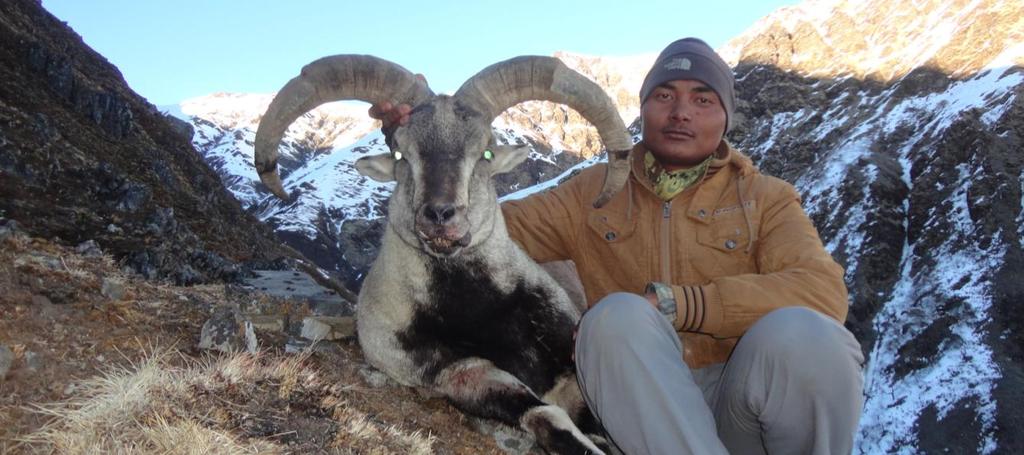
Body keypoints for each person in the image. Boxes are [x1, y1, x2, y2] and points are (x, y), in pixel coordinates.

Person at [371, 37, 864, 455]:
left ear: (725, 117)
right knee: (618, 317)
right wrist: (424, 145)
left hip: (742, 401)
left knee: (808, 336)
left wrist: (682, 304)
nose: (680, 113)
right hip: (637, 408)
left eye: (702, 100)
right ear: (643, 107)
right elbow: (480, 232)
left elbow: (823, 293)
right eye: (664, 95)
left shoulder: (767, 199)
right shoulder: (592, 192)